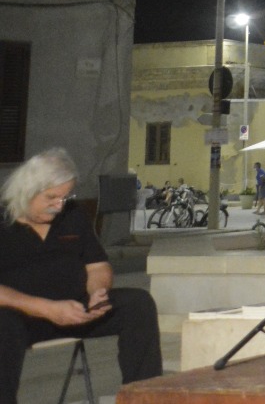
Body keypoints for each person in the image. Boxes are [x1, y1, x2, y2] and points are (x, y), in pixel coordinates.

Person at [0, 149, 163, 403]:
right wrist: (46, 308)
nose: (59, 205)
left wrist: (97, 293)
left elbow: (97, 266)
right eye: (51, 197)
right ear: (26, 190)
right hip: (21, 317)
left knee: (138, 304)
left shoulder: (72, 215)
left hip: (76, 308)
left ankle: (144, 397)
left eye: (65, 197)